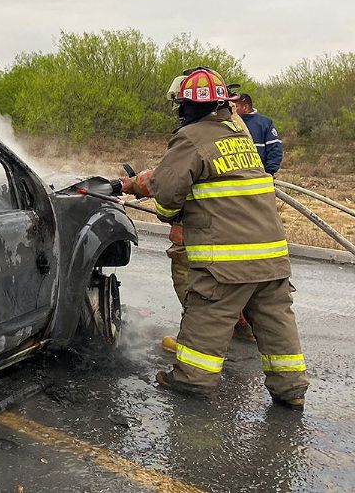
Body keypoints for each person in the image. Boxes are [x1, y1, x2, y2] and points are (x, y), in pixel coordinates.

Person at [116, 67, 309, 409]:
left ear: (186, 107)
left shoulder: (190, 138)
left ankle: (191, 382)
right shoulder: (240, 136)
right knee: (276, 321)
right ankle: (290, 389)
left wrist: (160, 203)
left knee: (207, 315)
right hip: (272, 255)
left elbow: (166, 199)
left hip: (227, 259)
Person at [159, 78, 254, 353]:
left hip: (209, 220)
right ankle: (244, 328)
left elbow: (177, 181)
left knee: (187, 269)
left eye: (182, 104)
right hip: (245, 219)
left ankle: (194, 341)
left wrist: (153, 190)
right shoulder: (234, 126)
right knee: (243, 276)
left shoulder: (199, 133)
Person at [234, 93, 282, 175]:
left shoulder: (265, 123)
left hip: (261, 175)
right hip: (237, 177)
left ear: (245, 107)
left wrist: (269, 172)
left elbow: (275, 149)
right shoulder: (230, 122)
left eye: (236, 107)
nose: (233, 110)